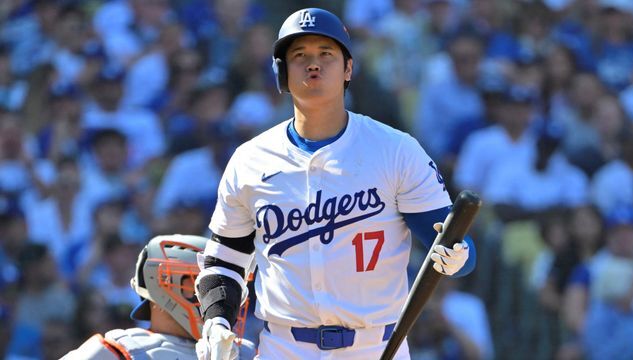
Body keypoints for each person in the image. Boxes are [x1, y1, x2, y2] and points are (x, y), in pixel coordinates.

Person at [194, 8, 476, 359]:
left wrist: (456, 256)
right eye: (299, 56)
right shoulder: (251, 160)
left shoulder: (395, 150)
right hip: (285, 348)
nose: (313, 64)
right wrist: (216, 322)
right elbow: (224, 261)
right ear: (281, 72)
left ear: (348, 68)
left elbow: (454, 244)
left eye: (326, 54)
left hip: (376, 345)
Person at [62, 234, 254, 359]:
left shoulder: (246, 353)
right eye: (201, 283)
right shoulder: (116, 352)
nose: (221, 296)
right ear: (161, 281)